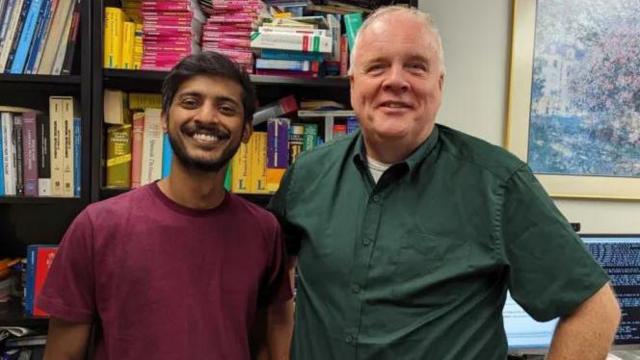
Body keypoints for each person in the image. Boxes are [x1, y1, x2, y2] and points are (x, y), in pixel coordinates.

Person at [268, 6, 621, 359]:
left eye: (416, 66)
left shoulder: (497, 183)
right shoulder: (308, 174)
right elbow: (267, 278)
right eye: (377, 66)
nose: (395, 80)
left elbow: (593, 308)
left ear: (439, 84)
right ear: (353, 83)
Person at [40, 51, 294, 360]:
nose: (206, 117)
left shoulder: (264, 230)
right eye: (190, 102)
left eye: (226, 108)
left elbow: (265, 339)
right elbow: (62, 354)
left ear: (246, 131)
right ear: (163, 118)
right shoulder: (97, 226)